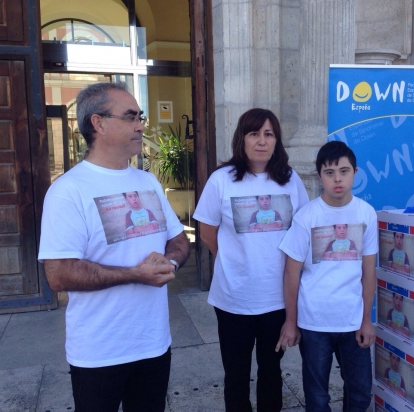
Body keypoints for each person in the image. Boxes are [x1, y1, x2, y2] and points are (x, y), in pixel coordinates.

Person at [38, 82, 190, 412]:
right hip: (99, 351)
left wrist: (171, 264)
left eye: (141, 116)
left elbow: (178, 240)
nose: (140, 125)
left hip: (153, 343)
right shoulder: (68, 191)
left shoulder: (147, 181)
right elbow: (59, 274)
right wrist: (136, 274)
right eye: (131, 116)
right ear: (98, 123)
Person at [193, 108, 309, 412]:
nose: (261, 141)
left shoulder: (290, 180)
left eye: (268, 134)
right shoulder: (222, 180)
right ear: (241, 139)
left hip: (276, 299)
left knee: (271, 371)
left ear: (277, 141)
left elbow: (303, 232)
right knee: (236, 374)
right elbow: (207, 233)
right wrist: (235, 262)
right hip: (233, 298)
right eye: (254, 133)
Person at [276, 141, 377, 412]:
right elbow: (291, 272)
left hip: (353, 320)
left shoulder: (366, 213)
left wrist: (367, 319)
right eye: (329, 172)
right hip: (314, 323)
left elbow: (368, 271)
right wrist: (291, 321)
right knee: (317, 398)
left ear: (355, 172)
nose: (337, 179)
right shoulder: (307, 216)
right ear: (319, 175)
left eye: (344, 171)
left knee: (360, 393)